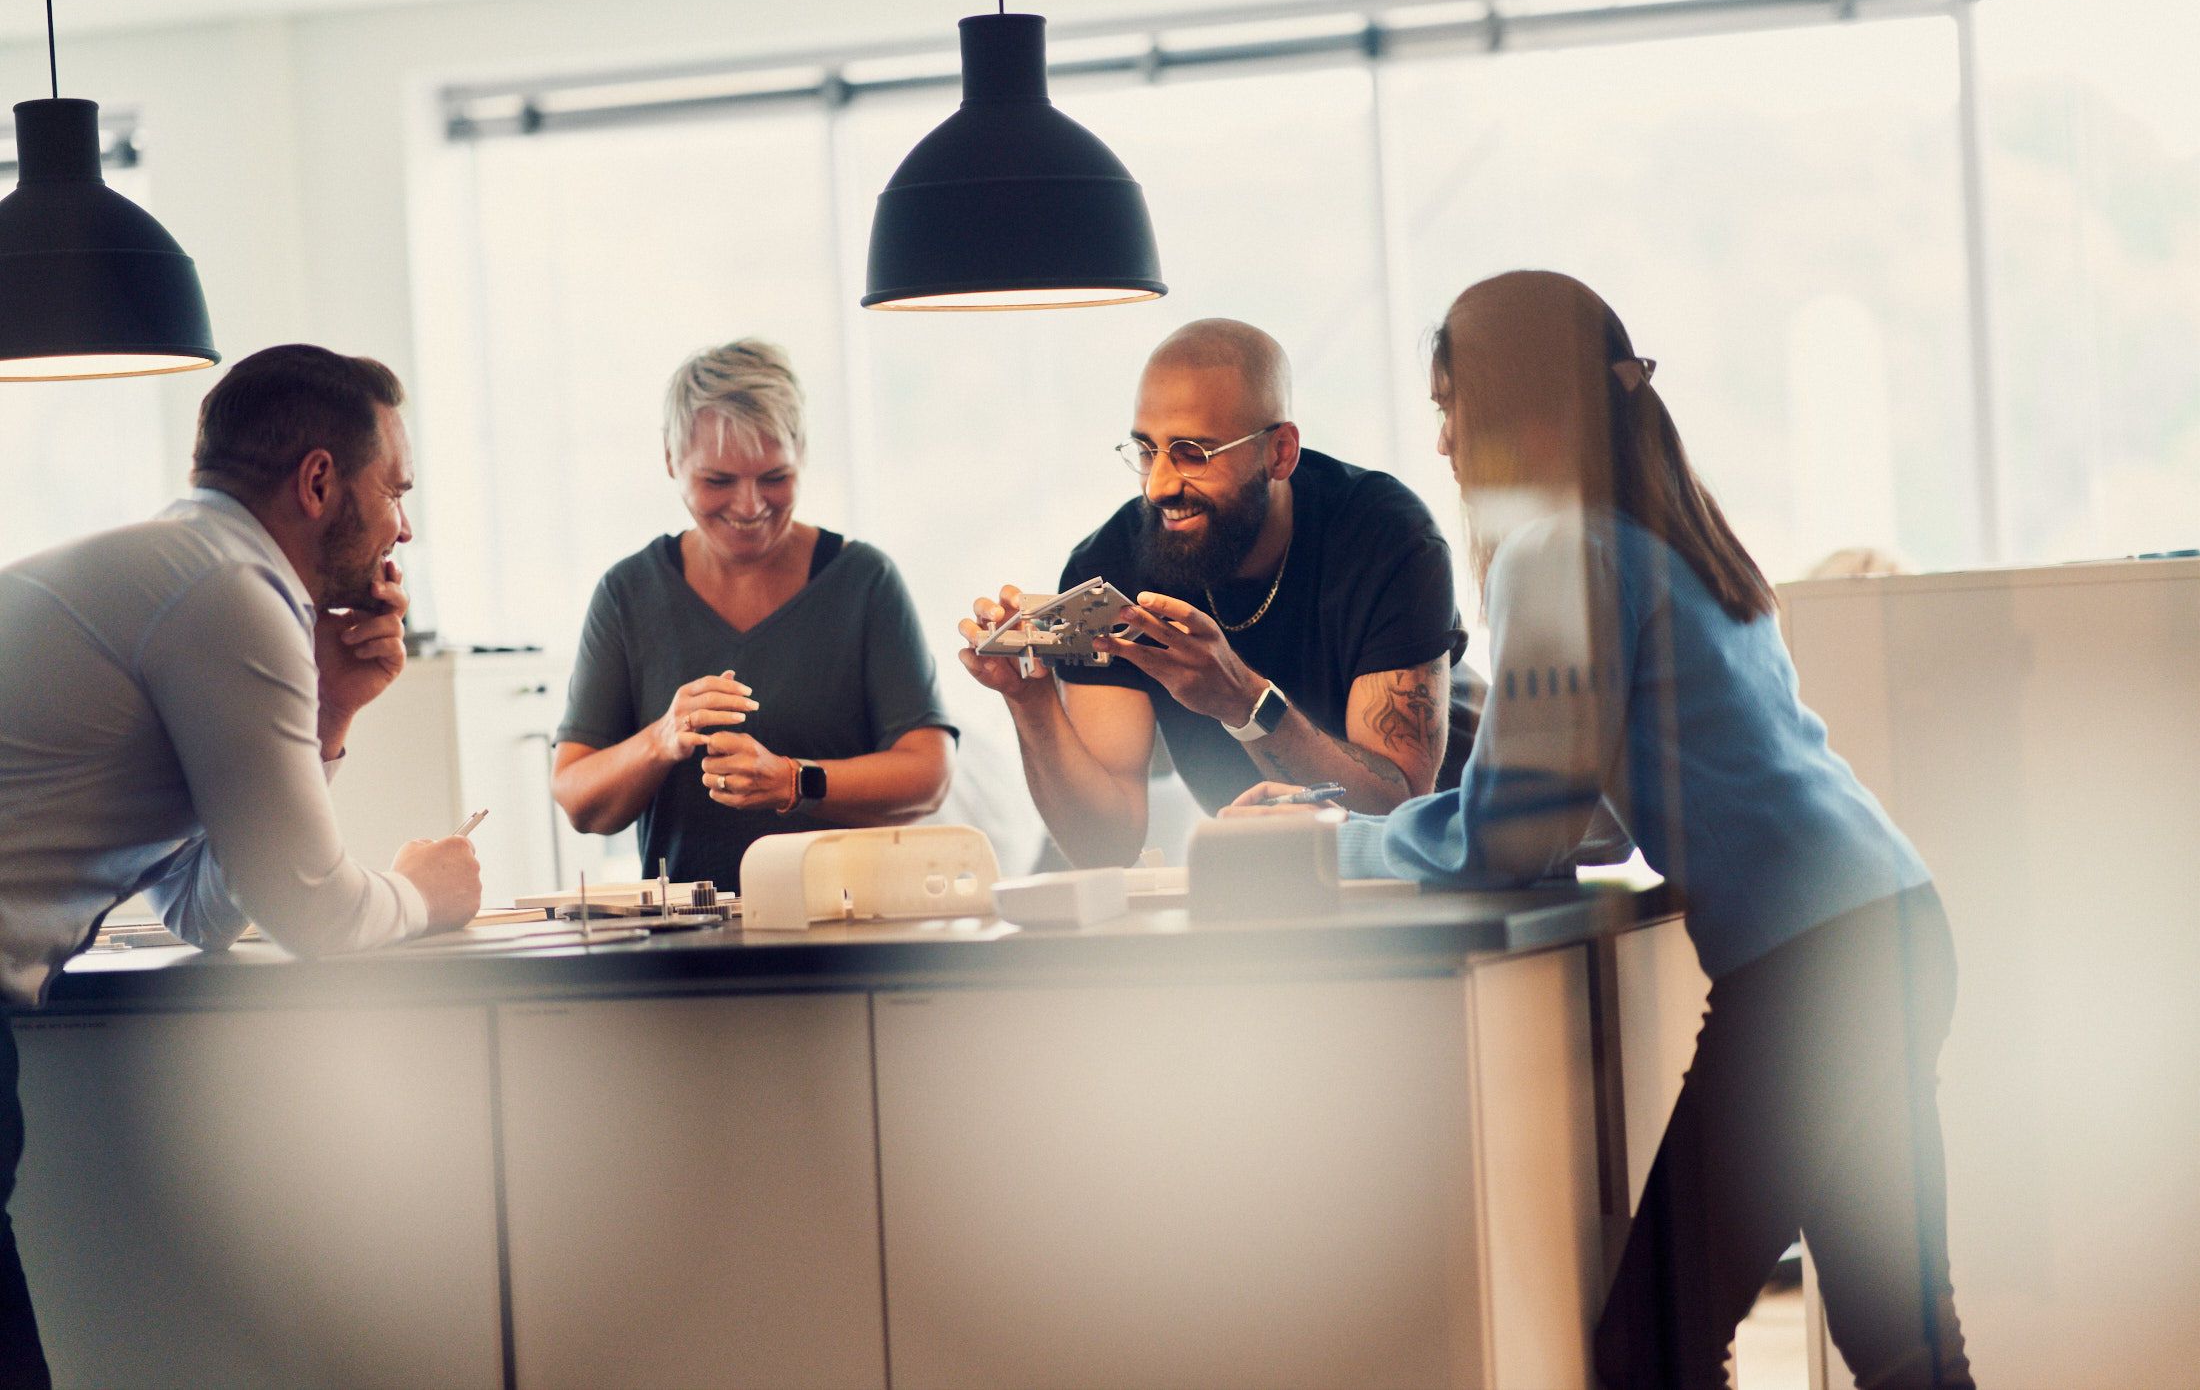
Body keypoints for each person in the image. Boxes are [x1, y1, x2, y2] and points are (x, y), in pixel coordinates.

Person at [1229, 271, 1973, 1389]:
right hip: (1891, 927)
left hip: (1818, 970)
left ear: (1519, 409)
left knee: (1652, 1350)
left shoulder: (1555, 547)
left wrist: (1315, 847)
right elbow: (1571, 804)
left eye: (1449, 407)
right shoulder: (1666, 528)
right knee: (1904, 1347)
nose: (1440, 443)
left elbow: (1513, 833)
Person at [0, 344, 486, 1386]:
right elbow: (314, 911)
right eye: (396, 489)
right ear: (319, 482)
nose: (406, 526)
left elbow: (198, 907)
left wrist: (336, 706)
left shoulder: (186, 569)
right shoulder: (231, 589)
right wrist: (429, 894)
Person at [958, 318, 1466, 869]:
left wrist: (1244, 701)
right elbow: (1106, 847)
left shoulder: (1385, 536)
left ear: (1280, 453)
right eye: (1147, 451)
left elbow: (1397, 811)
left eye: (1193, 453)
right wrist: (1031, 703)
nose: (1159, 486)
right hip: (1267, 881)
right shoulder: (1111, 565)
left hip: (1446, 861)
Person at [552, 339, 955, 885]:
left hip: (853, 932)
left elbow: (928, 776)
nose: (749, 506)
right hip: (685, 948)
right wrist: (662, 739)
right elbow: (578, 798)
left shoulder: (864, 581)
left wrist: (793, 782)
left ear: (802, 455)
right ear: (672, 461)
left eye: (774, 477)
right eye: (717, 481)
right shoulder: (628, 592)